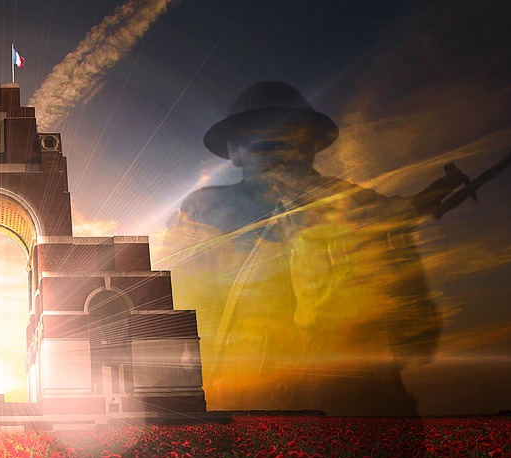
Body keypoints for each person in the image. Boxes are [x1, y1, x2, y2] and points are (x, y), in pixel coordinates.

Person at [164, 81, 465, 416]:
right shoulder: (201, 211)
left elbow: (415, 327)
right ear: (234, 150)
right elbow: (176, 309)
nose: (276, 147)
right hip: (243, 398)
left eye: (289, 135)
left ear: (312, 144)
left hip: (351, 401)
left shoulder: (358, 205)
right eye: (260, 138)